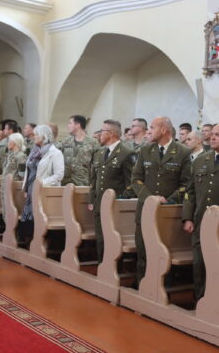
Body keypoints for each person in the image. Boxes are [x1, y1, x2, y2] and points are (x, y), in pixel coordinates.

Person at [132, 116, 191, 286]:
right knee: (143, 251)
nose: (149, 131)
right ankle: (140, 285)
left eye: (152, 127)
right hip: (145, 209)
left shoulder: (182, 152)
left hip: (167, 211)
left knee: (163, 252)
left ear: (164, 129)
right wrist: (150, 198)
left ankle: (164, 287)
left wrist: (168, 200)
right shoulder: (145, 150)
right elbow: (136, 179)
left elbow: (186, 183)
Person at [88, 120, 136, 263]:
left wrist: (120, 200)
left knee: (112, 238)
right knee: (100, 238)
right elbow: (93, 180)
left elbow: (131, 183)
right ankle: (102, 266)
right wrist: (92, 200)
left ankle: (113, 268)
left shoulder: (126, 153)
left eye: (102, 131)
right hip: (99, 203)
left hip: (115, 204)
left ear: (111, 134)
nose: (99, 134)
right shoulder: (100, 152)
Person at [182, 123, 219, 301]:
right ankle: (200, 300)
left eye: (217, 135)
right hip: (201, 221)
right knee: (200, 263)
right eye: (212, 134)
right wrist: (187, 217)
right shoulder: (201, 160)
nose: (212, 137)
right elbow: (191, 192)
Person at [19, 125, 64, 246]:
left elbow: (59, 175)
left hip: (44, 191)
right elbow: (29, 170)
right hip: (31, 190)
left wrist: (41, 184)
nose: (34, 137)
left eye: (36, 134)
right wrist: (26, 187)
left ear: (44, 136)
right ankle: (30, 244)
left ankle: (40, 245)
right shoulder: (34, 151)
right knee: (29, 217)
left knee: (39, 218)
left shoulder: (55, 152)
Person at [61, 115, 99, 186]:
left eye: (70, 123)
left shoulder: (93, 143)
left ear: (77, 125)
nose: (68, 125)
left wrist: (93, 184)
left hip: (82, 183)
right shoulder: (65, 142)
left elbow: (96, 166)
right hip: (65, 183)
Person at [1, 133, 27, 219]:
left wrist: (21, 188)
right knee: (5, 210)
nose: (8, 143)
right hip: (6, 185)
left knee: (10, 211)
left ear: (14, 142)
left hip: (13, 186)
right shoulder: (11, 155)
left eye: (9, 141)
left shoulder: (21, 156)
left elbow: (22, 175)